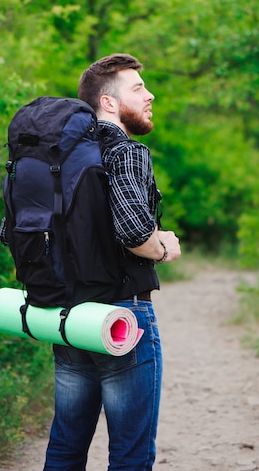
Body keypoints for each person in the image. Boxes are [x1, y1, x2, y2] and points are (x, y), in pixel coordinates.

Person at [43, 53, 181, 471]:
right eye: (138, 89)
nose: (149, 94)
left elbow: (12, 230)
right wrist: (164, 246)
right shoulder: (126, 151)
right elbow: (136, 232)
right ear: (108, 103)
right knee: (130, 453)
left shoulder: (58, 158)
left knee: (66, 446)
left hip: (68, 318)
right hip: (122, 317)